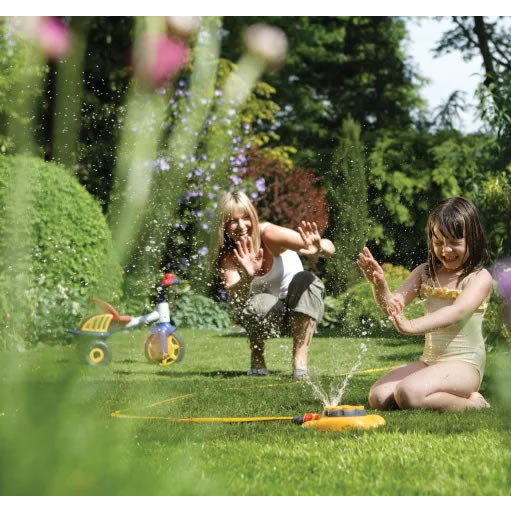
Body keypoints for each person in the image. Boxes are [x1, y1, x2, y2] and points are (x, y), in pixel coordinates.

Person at [357, 197, 492, 411]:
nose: (446, 250)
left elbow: (456, 312)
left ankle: (474, 404)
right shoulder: (425, 273)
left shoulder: (478, 277)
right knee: (379, 396)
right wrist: (380, 286)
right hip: (430, 362)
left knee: (408, 392)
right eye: (439, 242)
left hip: (465, 366)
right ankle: (434, 391)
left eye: (454, 242)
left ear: (473, 239)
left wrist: (411, 326)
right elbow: (393, 305)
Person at [212, 190, 335, 378]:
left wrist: (319, 248)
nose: (241, 226)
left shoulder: (270, 234)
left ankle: (300, 362)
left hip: (301, 309)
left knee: (306, 279)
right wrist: (247, 278)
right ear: (223, 225)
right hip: (268, 317)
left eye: (246, 217)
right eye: (232, 221)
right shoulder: (228, 256)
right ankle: (257, 357)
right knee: (257, 301)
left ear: (253, 216)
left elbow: (328, 246)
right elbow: (237, 299)